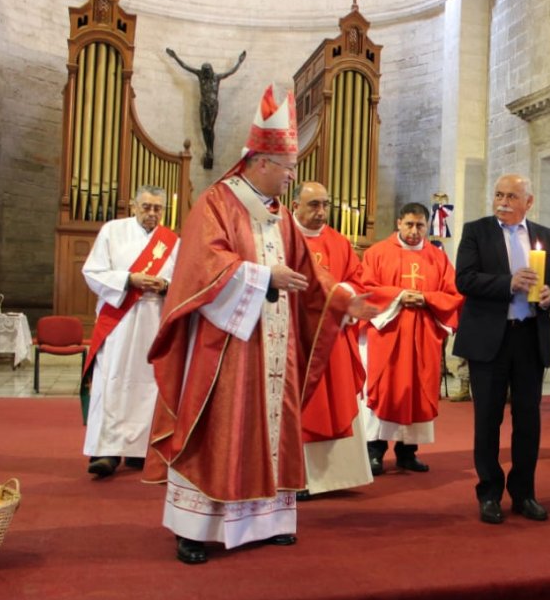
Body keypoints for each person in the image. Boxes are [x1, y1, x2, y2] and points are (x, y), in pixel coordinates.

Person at [144, 85, 377, 565]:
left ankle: (268, 519)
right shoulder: (217, 203)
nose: (293, 178)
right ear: (263, 162)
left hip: (276, 347)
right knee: (219, 428)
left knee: (271, 428)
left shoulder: (282, 218)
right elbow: (201, 266)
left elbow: (310, 276)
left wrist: (344, 301)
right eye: (289, 168)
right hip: (225, 347)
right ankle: (194, 527)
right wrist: (260, 276)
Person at [454, 174, 550, 524]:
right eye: (499, 195)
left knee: (528, 421)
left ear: (528, 202)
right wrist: (509, 283)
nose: (502, 201)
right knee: (487, 420)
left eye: (511, 196)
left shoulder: (546, 236)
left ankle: (524, 493)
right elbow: (464, 278)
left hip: (528, 337)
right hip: (489, 339)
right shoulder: (476, 231)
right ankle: (489, 493)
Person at [80, 185, 178, 478]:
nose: (151, 213)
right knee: (112, 380)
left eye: (157, 208)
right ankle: (106, 451)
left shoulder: (172, 242)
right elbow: (92, 272)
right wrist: (128, 279)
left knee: (148, 385)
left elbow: (183, 279)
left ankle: (140, 451)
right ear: (134, 206)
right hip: (119, 319)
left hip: (153, 317)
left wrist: (166, 286)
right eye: (146, 207)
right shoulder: (113, 231)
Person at [360, 202, 463, 475]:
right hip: (388, 335)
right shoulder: (376, 253)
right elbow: (365, 288)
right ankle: (375, 451)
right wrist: (399, 296)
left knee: (418, 390)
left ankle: (407, 452)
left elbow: (453, 295)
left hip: (422, 336)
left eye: (420, 226)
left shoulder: (438, 258)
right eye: (409, 224)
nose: (415, 231)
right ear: (398, 223)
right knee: (385, 389)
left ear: (427, 226)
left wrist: (426, 298)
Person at [290, 181, 373, 499]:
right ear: (295, 204)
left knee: (335, 396)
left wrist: (342, 294)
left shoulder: (339, 242)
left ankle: (334, 476)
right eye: (313, 205)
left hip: (333, 337)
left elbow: (356, 280)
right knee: (301, 401)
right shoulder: (284, 237)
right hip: (297, 336)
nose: (321, 211)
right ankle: (298, 476)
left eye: (325, 204)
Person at [165, 48, 246, 169]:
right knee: (204, 127)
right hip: (203, 104)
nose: (206, 72)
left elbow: (230, 72)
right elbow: (185, 67)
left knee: (209, 127)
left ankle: (210, 150)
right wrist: (175, 57)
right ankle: (209, 150)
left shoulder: (217, 77)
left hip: (213, 105)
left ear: (211, 70)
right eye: (204, 71)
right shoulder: (200, 75)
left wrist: (239, 62)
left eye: (207, 71)